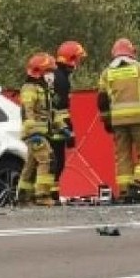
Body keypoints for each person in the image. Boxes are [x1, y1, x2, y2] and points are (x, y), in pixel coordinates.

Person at [97, 37, 140, 203]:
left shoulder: (107, 74)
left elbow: (102, 101)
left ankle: (124, 190)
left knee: (123, 156)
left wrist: (107, 121)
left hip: (118, 123)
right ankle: (138, 183)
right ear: (132, 53)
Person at [17, 52, 58, 207]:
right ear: (40, 72)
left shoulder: (42, 89)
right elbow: (28, 110)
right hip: (35, 133)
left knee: (31, 164)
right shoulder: (30, 88)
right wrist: (32, 131)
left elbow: (48, 114)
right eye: (49, 71)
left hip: (39, 133)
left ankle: (23, 196)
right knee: (47, 160)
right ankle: (42, 196)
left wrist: (61, 127)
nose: (51, 75)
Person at [49, 40, 86, 203]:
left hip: (48, 127)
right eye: (77, 59)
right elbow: (60, 108)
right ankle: (51, 195)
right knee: (57, 162)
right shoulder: (61, 79)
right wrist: (68, 131)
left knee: (51, 162)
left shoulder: (53, 74)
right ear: (70, 59)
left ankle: (51, 194)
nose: (78, 63)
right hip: (56, 129)